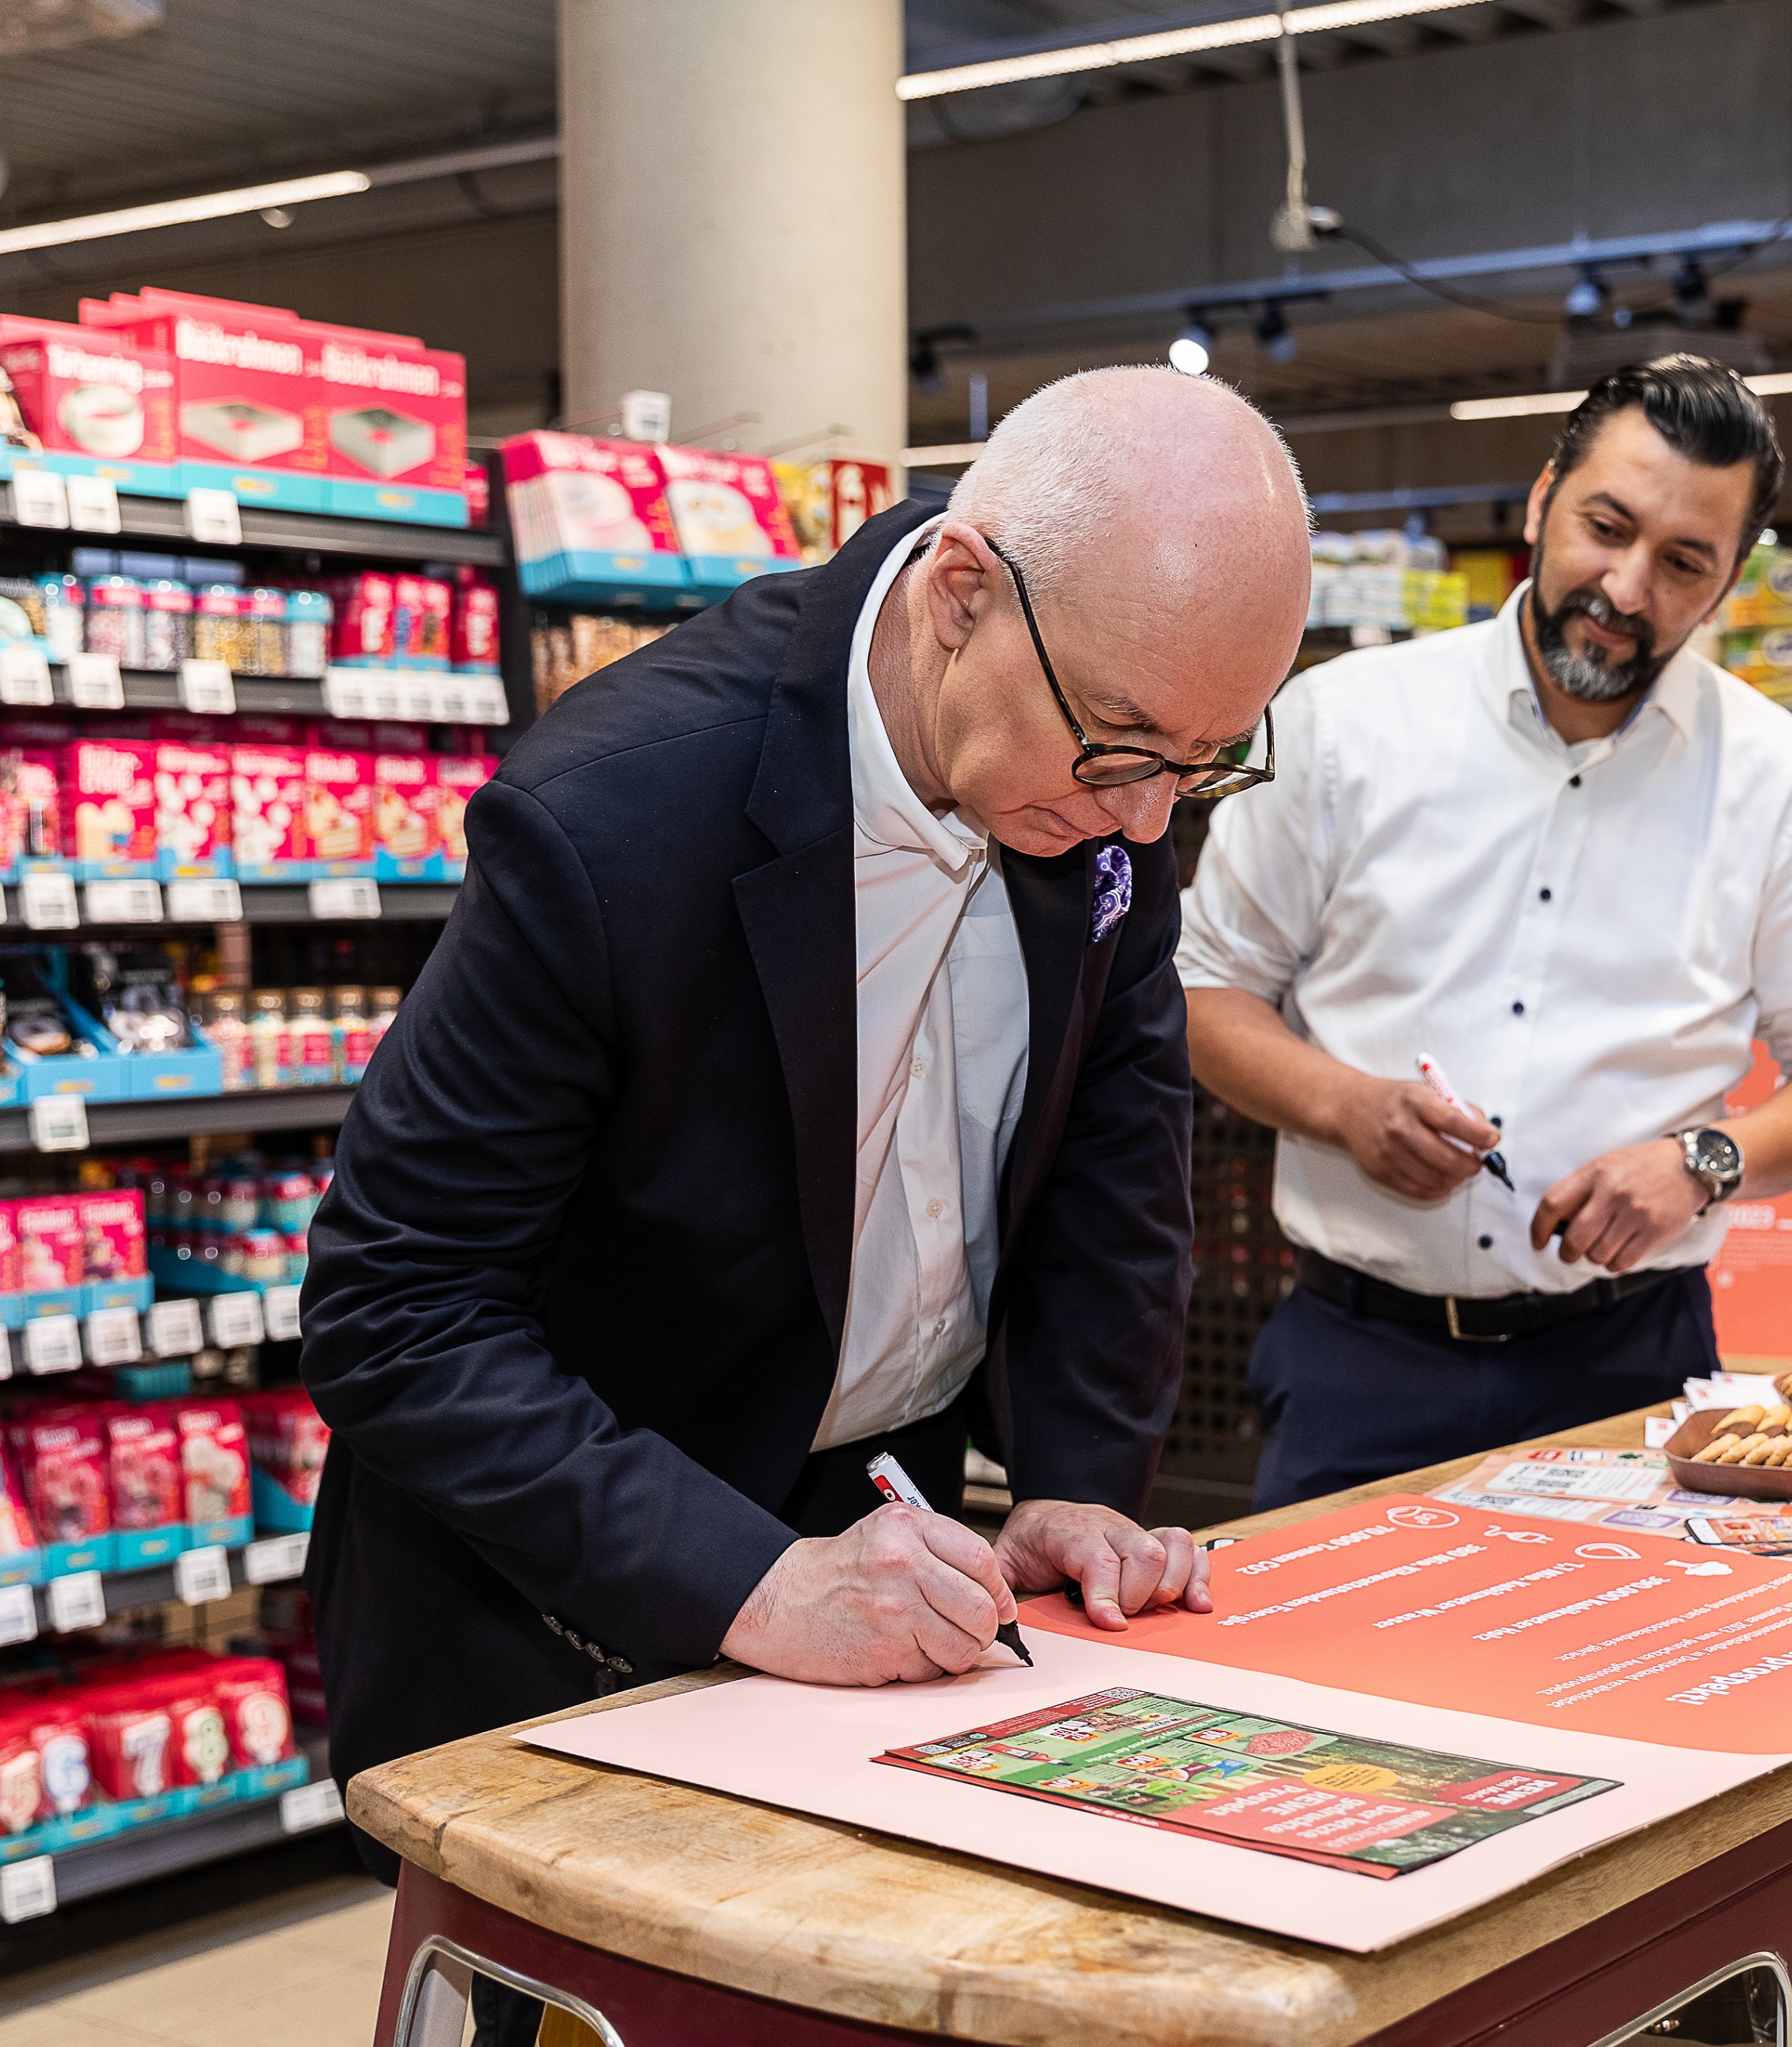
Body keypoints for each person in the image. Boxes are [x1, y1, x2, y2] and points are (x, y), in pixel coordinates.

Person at [301, 368, 1313, 1879]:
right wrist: (749, 1581)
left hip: (887, 1559)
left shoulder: (1103, 784)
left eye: (1205, 762)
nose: (1152, 822)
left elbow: (1118, 1165)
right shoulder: (616, 815)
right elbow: (395, 1307)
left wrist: (1071, 1485)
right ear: (960, 597)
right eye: (1124, 748)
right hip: (564, 1590)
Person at [1179, 354, 1792, 1510]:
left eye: (1682, 564)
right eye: (1604, 528)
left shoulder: (1789, 785)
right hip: (1361, 1363)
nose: (1623, 588)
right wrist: (1345, 1107)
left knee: (1626, 1687)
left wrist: (1701, 1165)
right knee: (1317, 1688)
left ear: (1724, 585)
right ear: (1540, 500)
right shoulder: (1340, 725)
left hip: (1631, 1371)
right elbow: (1205, 992)